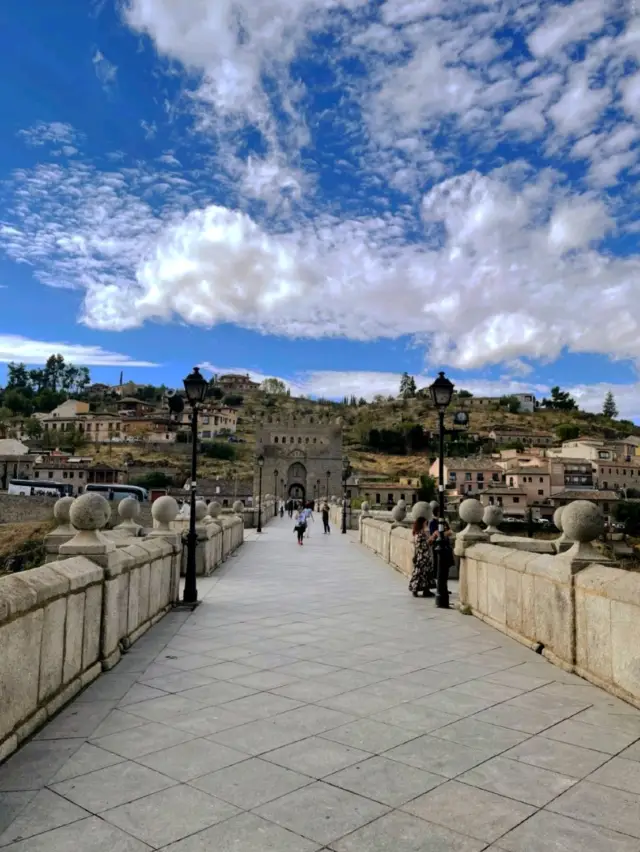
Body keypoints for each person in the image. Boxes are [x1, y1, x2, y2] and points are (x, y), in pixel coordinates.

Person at [409, 516, 434, 597]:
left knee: (424, 573)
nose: (426, 524)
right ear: (423, 523)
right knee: (420, 573)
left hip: (424, 556)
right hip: (422, 556)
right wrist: (432, 538)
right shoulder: (420, 533)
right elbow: (422, 545)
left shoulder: (420, 532)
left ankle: (425, 590)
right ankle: (415, 589)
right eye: (425, 522)